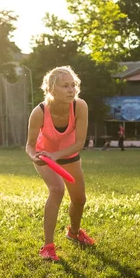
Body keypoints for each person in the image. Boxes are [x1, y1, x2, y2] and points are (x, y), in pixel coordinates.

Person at [26, 66, 95, 262]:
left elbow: (79, 143)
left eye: (73, 85)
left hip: (67, 154)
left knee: (80, 199)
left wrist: (57, 155)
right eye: (65, 86)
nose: (71, 90)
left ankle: (74, 232)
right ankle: (48, 246)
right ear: (51, 88)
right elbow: (29, 146)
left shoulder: (79, 106)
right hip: (44, 156)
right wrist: (35, 157)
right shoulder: (39, 112)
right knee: (56, 190)